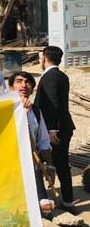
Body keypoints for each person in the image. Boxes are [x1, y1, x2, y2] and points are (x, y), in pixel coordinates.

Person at [35, 46, 76, 212]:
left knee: (58, 165)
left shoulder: (49, 77)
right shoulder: (61, 75)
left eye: (40, 58)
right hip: (63, 126)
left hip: (56, 130)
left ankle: (64, 202)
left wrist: (52, 130)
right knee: (61, 164)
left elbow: (53, 104)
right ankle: (67, 201)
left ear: (44, 58)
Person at [8, 71, 55, 215]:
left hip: (33, 165)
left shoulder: (35, 110)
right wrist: (20, 112)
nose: (24, 85)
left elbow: (43, 140)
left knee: (42, 208)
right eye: (19, 81)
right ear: (10, 87)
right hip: (10, 168)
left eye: (28, 82)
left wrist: (49, 164)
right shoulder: (4, 108)